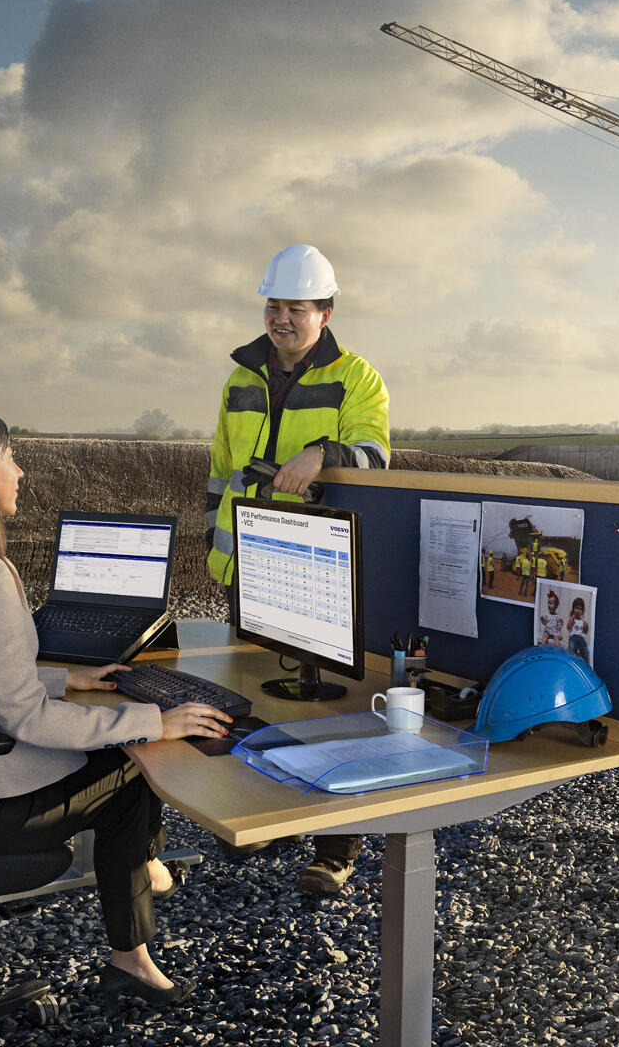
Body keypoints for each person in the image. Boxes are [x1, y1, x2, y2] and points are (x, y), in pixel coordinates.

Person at [0, 408, 230, 1005]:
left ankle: (143, 876)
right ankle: (133, 954)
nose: (20, 473)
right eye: (9, 459)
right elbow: (25, 720)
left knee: (124, 754)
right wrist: (157, 721)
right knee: (130, 770)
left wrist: (68, 679)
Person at [205, 243, 390, 894]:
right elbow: (222, 471)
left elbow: (375, 458)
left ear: (325, 311)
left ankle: (335, 846)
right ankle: (273, 817)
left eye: (296, 307)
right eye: (274, 305)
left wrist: (323, 452)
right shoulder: (240, 379)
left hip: (318, 566)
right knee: (257, 697)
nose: (281, 318)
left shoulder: (356, 378)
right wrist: (217, 552)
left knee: (330, 705)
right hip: (245, 564)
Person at [565, 597, 591, 665]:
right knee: (572, 647)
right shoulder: (572, 619)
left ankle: (586, 664)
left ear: (582, 610)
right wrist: (571, 622)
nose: (578, 610)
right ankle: (570, 662)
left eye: (580, 609)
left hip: (581, 638)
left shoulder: (583, 621)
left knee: (585, 649)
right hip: (573, 637)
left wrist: (586, 627)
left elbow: (585, 632)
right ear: (573, 608)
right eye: (576, 608)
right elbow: (568, 628)